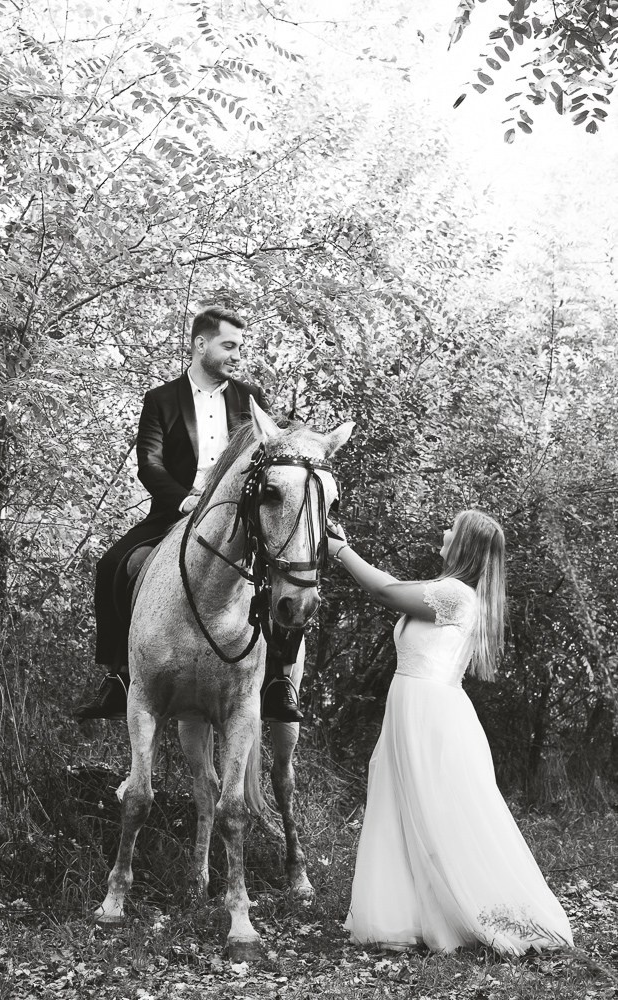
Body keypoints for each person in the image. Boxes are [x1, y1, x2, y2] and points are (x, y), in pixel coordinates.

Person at [326, 510, 573, 955]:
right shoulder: (451, 591)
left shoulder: (456, 595)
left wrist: (339, 549)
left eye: (452, 529)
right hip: (417, 708)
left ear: (465, 545)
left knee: (437, 811)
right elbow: (395, 586)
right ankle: (406, 914)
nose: (444, 532)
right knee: (405, 808)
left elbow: (385, 591)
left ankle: (473, 910)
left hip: (429, 714)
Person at [74, 306, 304, 724]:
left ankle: (279, 679)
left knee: (290, 571)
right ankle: (118, 675)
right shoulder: (161, 400)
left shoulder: (251, 399)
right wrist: (184, 500)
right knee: (111, 565)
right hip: (174, 512)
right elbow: (150, 465)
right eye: (229, 346)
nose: (238, 355)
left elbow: (273, 453)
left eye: (240, 347)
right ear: (201, 344)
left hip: (241, 518)